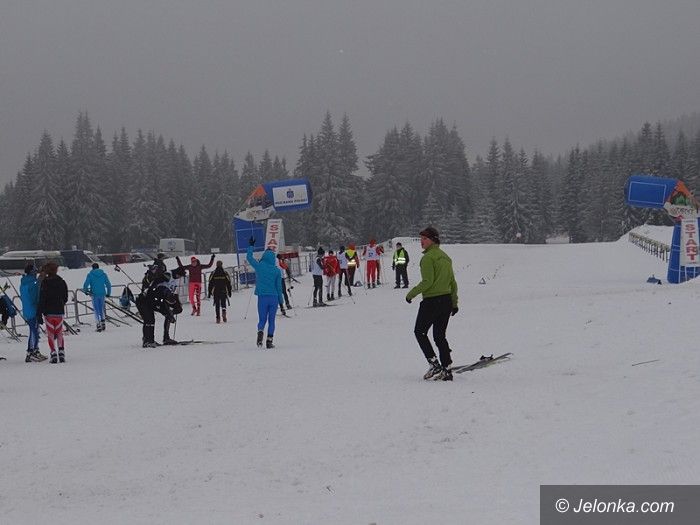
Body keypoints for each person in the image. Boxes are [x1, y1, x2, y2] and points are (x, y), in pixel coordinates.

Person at [405, 227, 459, 381]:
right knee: (440, 336)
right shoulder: (446, 257)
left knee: (420, 332)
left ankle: (434, 363)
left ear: (433, 240)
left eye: (425, 239)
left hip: (432, 301)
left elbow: (427, 282)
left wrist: (411, 294)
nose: (421, 242)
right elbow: (453, 282)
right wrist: (454, 303)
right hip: (446, 301)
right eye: (421, 239)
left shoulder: (428, 258)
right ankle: (447, 369)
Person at [246, 237, 284, 348]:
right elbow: (279, 287)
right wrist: (281, 302)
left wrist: (251, 246)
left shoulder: (259, 266)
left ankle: (260, 332)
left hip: (262, 297)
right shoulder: (276, 271)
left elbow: (249, 258)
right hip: (274, 297)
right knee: (272, 320)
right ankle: (269, 341)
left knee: (262, 319)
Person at [135, 269, 183, 347]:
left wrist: (170, 315)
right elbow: (161, 307)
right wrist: (169, 315)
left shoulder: (164, 296)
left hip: (149, 302)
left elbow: (163, 307)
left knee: (151, 320)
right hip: (142, 301)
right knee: (149, 320)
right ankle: (147, 341)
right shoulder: (160, 295)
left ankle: (150, 340)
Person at [37, 262, 69, 364]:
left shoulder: (45, 283)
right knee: (59, 332)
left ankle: (53, 352)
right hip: (59, 311)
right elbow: (65, 297)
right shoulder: (62, 282)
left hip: (48, 312)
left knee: (50, 333)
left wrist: (40, 312)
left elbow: (42, 298)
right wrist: (61, 303)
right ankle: (61, 351)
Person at [20, 264, 46, 362]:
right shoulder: (32, 283)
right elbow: (35, 298)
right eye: (35, 271)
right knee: (34, 331)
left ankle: (35, 350)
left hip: (27, 310)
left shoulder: (24, 282)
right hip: (33, 310)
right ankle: (31, 352)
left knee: (34, 330)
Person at [83, 262, 112, 332]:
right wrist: (108, 293)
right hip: (102, 294)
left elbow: (86, 284)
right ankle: (103, 322)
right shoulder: (103, 274)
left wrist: (85, 291)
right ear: (98, 267)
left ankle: (98, 324)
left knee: (96, 310)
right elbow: (108, 284)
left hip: (94, 294)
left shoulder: (90, 275)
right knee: (101, 308)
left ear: (92, 268)